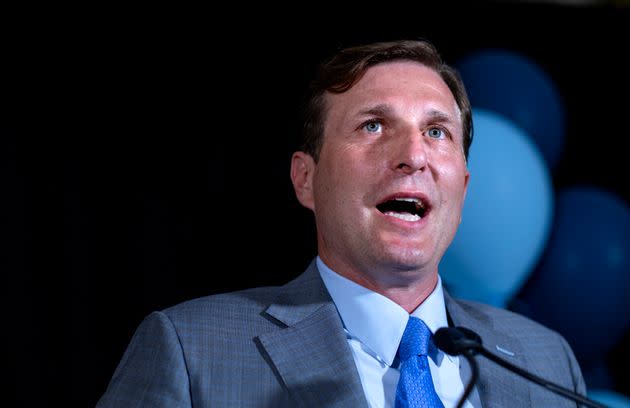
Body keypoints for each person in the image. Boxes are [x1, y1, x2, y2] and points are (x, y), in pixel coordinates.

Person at [96, 39, 586, 407]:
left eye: (436, 131)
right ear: (305, 179)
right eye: (373, 125)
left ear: (463, 185)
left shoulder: (546, 362)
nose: (413, 155)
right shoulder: (190, 352)